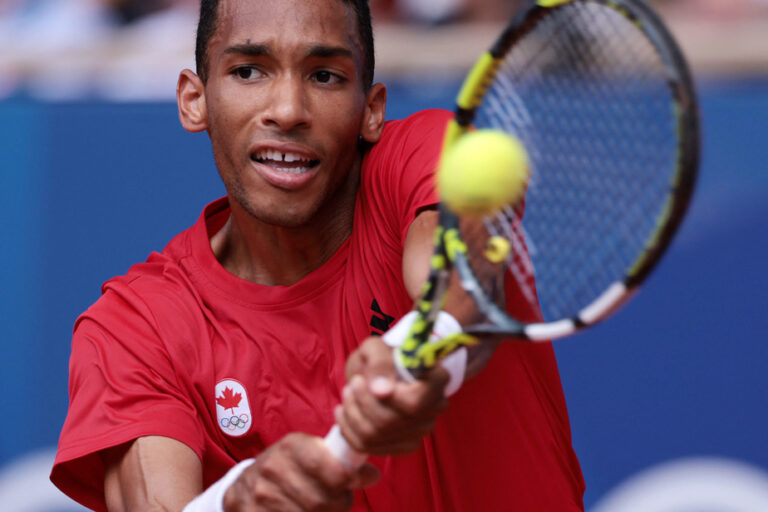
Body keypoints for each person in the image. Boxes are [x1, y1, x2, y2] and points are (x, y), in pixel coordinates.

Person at [50, 0, 585, 510]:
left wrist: (422, 354)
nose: (287, 111)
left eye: (324, 75)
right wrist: (234, 502)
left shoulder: (425, 155)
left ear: (371, 110)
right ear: (196, 99)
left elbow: (462, 281)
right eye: (248, 71)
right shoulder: (134, 329)